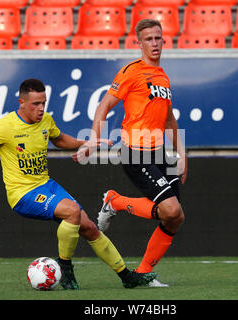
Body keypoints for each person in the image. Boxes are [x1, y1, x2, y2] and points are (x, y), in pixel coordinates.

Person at [0, 78, 157, 290]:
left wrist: (86, 143)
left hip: (47, 185)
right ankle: (65, 267)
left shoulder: (46, 120)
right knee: (72, 211)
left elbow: (59, 139)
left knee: (89, 227)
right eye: (36, 104)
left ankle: (126, 276)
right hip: (23, 194)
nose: (41, 108)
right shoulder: (5, 126)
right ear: (22, 103)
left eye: (43, 103)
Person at [76, 19, 187, 287]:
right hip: (135, 150)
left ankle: (143, 273)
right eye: (148, 39)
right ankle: (113, 203)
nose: (155, 43)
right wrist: (93, 139)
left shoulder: (162, 76)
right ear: (139, 43)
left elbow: (169, 120)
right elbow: (104, 105)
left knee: (175, 216)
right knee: (170, 209)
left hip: (161, 151)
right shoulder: (130, 72)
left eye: (158, 38)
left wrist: (182, 155)